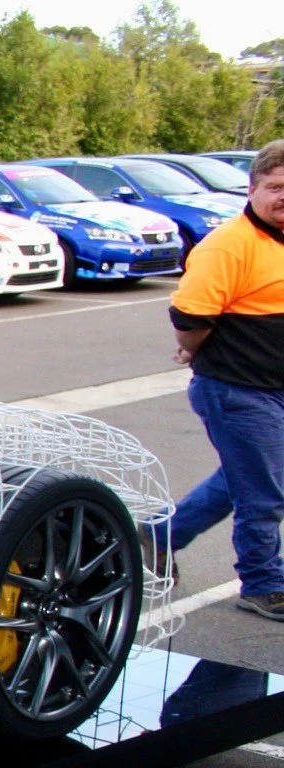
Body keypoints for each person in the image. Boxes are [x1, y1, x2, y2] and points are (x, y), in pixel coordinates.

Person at [160, 139, 284, 621]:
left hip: (273, 388)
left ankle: (155, 539)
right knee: (265, 492)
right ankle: (262, 583)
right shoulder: (229, 245)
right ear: (252, 189)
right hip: (237, 390)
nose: (282, 198)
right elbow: (189, 314)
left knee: (245, 480)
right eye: (275, 187)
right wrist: (189, 348)